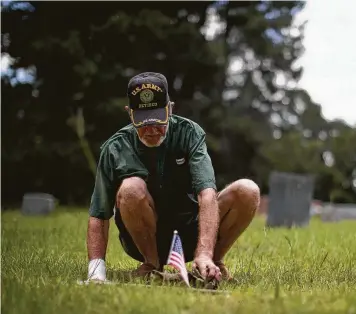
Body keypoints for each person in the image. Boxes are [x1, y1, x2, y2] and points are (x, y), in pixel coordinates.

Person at [86, 72, 259, 285]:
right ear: (130, 114)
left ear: (170, 109)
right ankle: (152, 265)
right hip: (141, 237)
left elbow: (207, 194)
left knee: (247, 190)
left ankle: (211, 261)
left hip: (189, 231)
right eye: (142, 121)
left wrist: (204, 251)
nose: (151, 130)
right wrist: (96, 273)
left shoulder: (190, 134)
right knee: (131, 188)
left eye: (158, 119)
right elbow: (99, 215)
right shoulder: (115, 148)